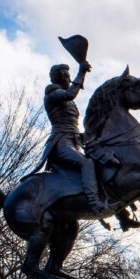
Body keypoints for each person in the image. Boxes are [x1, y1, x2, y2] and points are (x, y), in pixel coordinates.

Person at [42, 61, 107, 214]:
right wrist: (82, 72)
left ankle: (120, 212)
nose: (69, 79)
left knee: (101, 161)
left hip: (75, 141)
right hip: (61, 142)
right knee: (86, 163)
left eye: (70, 76)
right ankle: (94, 202)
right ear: (59, 77)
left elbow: (74, 127)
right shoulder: (52, 93)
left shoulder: (67, 101)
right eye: (67, 76)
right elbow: (70, 93)